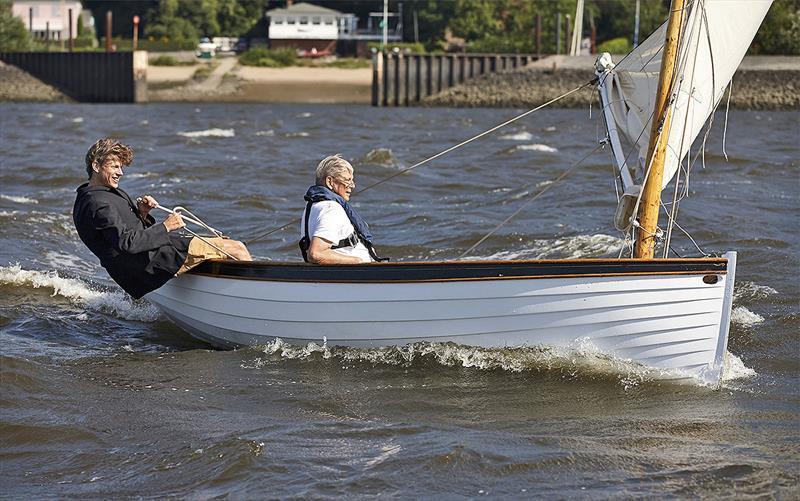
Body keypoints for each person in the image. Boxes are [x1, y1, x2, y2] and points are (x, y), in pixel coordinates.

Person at [73, 138, 251, 299]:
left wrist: (142, 213)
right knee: (237, 249)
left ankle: (229, 296)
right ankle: (253, 300)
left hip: (147, 260)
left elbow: (121, 235)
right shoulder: (98, 203)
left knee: (221, 244)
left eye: (121, 167)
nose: (121, 173)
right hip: (151, 263)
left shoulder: (94, 195)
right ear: (96, 166)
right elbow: (128, 243)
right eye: (115, 167)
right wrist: (166, 226)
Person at [299, 154, 384, 264]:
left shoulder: (314, 206)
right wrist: (358, 261)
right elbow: (316, 254)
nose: (352, 185)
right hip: (355, 274)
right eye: (347, 180)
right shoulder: (331, 209)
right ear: (330, 182)